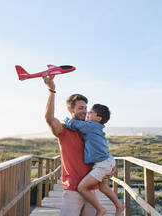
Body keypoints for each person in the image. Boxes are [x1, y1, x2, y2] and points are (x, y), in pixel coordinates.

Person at [42, 73, 114, 216]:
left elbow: (102, 152)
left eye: (86, 108)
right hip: (72, 189)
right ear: (71, 109)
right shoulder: (63, 129)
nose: (85, 111)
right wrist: (51, 90)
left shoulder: (91, 130)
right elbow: (49, 117)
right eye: (81, 108)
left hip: (92, 189)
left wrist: (110, 168)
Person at [64, 104, 124, 216]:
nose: (88, 113)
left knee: (82, 187)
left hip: (102, 164)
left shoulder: (91, 125)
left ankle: (100, 209)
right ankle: (119, 205)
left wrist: (65, 119)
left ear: (98, 118)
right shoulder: (97, 127)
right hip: (107, 160)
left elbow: (73, 124)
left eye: (91, 112)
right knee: (103, 187)